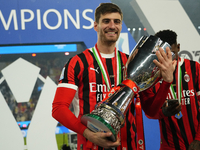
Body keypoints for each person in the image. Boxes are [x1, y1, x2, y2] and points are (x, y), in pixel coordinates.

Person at [52, 3, 175, 150]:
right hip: (90, 145)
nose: (112, 26)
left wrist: (167, 81)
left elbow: (151, 112)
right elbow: (58, 108)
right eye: (106, 21)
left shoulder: (133, 63)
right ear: (96, 26)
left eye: (117, 21)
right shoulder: (77, 63)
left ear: (121, 26)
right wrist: (88, 134)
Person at [142, 29, 200, 150]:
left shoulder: (195, 68)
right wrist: (164, 112)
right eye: (164, 55)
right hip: (170, 145)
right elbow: (150, 113)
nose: (169, 60)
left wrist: (199, 138)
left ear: (178, 47)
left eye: (172, 54)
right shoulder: (150, 76)